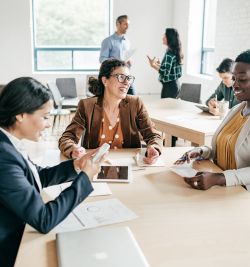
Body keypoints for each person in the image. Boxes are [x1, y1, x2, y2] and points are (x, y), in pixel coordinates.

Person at [0, 77, 103, 267]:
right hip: (11, 249)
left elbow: (35, 176)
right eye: (45, 116)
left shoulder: (8, 142)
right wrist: (85, 179)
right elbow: (44, 219)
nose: (49, 124)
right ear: (21, 115)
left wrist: (76, 165)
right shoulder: (3, 158)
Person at [59, 59, 162, 164]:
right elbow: (67, 137)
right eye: (121, 77)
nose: (127, 83)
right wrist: (73, 149)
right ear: (105, 81)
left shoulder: (135, 103)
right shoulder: (87, 106)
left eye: (129, 78)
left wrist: (154, 148)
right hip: (96, 166)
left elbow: (153, 135)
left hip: (130, 165)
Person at [174, 50, 250, 190]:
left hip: (241, 195)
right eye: (234, 79)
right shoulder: (235, 110)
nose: (235, 85)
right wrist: (202, 151)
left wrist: (220, 178)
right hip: (221, 188)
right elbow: (224, 149)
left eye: (242, 80)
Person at [99, 15, 136, 95]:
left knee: (132, 96)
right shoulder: (108, 41)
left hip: (126, 74)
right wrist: (115, 62)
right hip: (114, 76)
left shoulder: (127, 42)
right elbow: (102, 59)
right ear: (118, 24)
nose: (127, 27)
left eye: (128, 24)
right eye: (125, 24)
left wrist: (129, 62)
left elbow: (127, 57)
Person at [147, 28, 183, 99]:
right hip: (175, 86)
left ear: (169, 38)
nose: (162, 38)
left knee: (165, 109)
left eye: (164, 36)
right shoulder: (175, 51)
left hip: (169, 88)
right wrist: (159, 65)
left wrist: (153, 65)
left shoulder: (169, 53)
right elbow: (169, 70)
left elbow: (165, 72)